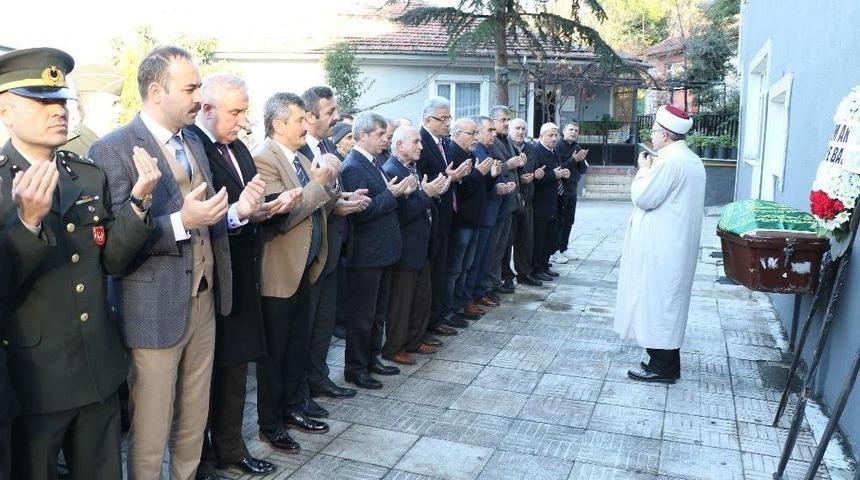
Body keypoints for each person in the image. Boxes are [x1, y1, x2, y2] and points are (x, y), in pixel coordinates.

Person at [90, 45, 264, 479]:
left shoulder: (193, 142)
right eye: (190, 88)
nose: (198, 98)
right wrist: (179, 222)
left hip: (204, 299)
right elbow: (114, 247)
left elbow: (208, 217)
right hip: (151, 307)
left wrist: (239, 211)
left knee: (194, 409)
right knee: (150, 422)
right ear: (155, 90)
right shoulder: (112, 149)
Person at [0, 47, 157, 479]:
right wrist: (27, 224)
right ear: (6, 111)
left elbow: (112, 261)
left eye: (61, 100)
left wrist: (139, 206)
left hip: (97, 369)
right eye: (42, 101)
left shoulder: (86, 174)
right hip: (35, 378)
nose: (59, 111)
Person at [190, 73, 293, 479]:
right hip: (210, 278)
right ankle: (200, 458)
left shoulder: (239, 150)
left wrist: (269, 208)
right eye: (235, 111)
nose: (242, 120)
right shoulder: (193, 148)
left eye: (244, 111)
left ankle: (231, 446)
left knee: (234, 371)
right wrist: (241, 214)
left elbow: (247, 201)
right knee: (202, 379)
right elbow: (208, 215)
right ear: (207, 109)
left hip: (243, 273)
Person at [252, 92, 338, 452]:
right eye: (300, 120)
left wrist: (330, 182)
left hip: (305, 266)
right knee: (275, 353)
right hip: (278, 272)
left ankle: (293, 408)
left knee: (296, 345)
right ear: (278, 125)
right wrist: (318, 184)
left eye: (307, 119)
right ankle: (270, 423)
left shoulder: (302, 157)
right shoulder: (264, 159)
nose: (307, 125)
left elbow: (319, 206)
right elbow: (282, 217)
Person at [615, 105, 706, 384]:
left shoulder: (669, 162)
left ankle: (662, 367)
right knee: (667, 303)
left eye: (654, 131)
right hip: (672, 245)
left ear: (666, 135)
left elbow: (644, 197)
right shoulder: (689, 159)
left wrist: (643, 170)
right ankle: (664, 362)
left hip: (664, 247)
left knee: (659, 303)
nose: (651, 136)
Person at [299, 86, 364, 419]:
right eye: (330, 112)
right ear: (309, 116)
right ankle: (303, 389)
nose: (337, 118)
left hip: (332, 247)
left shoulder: (324, 145)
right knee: (308, 324)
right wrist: (335, 204)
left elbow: (329, 192)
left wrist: (344, 199)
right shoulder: (298, 152)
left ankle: (319, 377)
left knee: (323, 322)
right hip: (310, 252)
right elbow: (302, 200)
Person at [340, 112, 412, 389]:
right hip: (366, 254)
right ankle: (355, 368)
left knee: (377, 312)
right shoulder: (353, 166)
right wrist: (391, 195)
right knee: (362, 316)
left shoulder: (375, 161)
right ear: (362, 136)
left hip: (383, 250)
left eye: (387, 135)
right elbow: (361, 212)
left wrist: (398, 193)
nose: (386, 140)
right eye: (381, 135)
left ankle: (372, 358)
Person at [382, 125, 448, 365]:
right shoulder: (392, 170)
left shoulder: (412, 167)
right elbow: (401, 214)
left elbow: (420, 201)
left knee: (421, 296)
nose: (421, 146)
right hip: (406, 247)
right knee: (402, 301)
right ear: (400, 145)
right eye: (416, 142)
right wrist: (426, 194)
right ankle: (394, 347)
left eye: (420, 142)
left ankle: (414, 340)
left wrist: (435, 191)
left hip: (422, 244)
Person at [416, 97, 471, 334]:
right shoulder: (422, 142)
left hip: (446, 216)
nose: (448, 123)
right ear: (428, 120)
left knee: (442, 271)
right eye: (443, 118)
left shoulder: (442, 142)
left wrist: (454, 177)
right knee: (433, 275)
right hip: (430, 216)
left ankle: (438, 318)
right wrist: (450, 177)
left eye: (449, 118)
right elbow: (424, 181)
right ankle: (430, 323)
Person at [444, 118, 501, 325]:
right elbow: (464, 190)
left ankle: (459, 304)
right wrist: (479, 173)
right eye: (472, 133)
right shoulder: (453, 153)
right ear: (457, 134)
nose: (476, 138)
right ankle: (448, 311)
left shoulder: (469, 153)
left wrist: (491, 176)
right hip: (461, 221)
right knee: (454, 270)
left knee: (466, 266)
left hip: (474, 218)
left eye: (477, 133)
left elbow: (479, 186)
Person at [488, 106, 525, 295]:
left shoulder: (506, 140)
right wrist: (508, 165)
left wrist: (519, 163)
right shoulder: (491, 142)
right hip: (497, 202)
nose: (507, 123)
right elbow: (490, 169)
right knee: (494, 247)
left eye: (507, 119)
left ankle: (497, 280)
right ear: (493, 121)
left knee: (503, 246)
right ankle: (492, 283)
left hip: (510, 202)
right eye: (503, 120)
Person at [505, 118, 543, 287]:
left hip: (527, 200)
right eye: (517, 128)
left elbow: (533, 168)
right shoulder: (505, 147)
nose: (521, 132)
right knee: (507, 243)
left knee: (526, 240)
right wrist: (519, 179)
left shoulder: (530, 149)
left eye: (523, 129)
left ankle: (524, 273)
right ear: (509, 130)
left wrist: (535, 175)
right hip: (511, 202)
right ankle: (505, 276)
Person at [529, 123, 569, 282]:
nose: (554, 138)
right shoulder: (536, 152)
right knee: (539, 239)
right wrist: (555, 175)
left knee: (550, 238)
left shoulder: (555, 153)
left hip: (555, 201)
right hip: (540, 203)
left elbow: (557, 173)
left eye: (555, 135)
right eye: (550, 135)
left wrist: (564, 174)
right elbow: (536, 178)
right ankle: (536, 269)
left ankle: (544, 266)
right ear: (541, 136)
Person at [64, 64, 124, 156]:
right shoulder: (66, 151)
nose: (120, 110)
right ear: (88, 106)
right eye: (114, 104)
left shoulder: (122, 146)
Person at [551, 122, 588, 264]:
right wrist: (574, 160)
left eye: (576, 131)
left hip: (572, 189)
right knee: (558, 221)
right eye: (571, 130)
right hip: (559, 190)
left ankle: (563, 247)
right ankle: (554, 251)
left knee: (569, 220)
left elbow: (583, 169)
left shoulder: (577, 147)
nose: (573, 133)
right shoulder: (557, 147)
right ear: (564, 131)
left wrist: (580, 160)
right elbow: (559, 167)